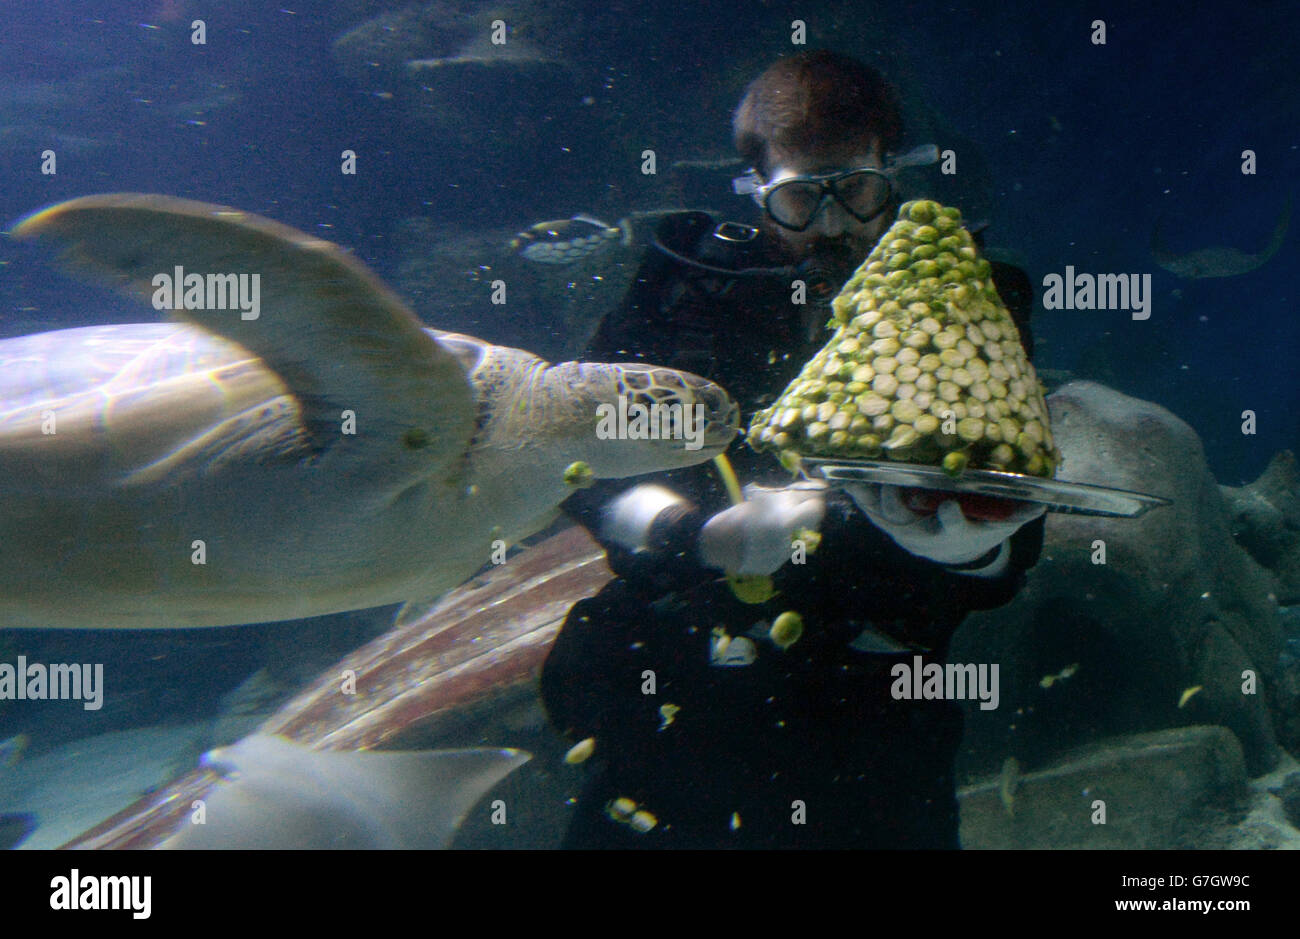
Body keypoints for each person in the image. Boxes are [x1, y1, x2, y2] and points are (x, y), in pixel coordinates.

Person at [538, 49, 1046, 848]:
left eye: (857, 190)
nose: (833, 225)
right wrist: (689, 532)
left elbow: (1010, 543)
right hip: (676, 686)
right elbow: (578, 459)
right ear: (757, 190)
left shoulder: (973, 299)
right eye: (801, 198)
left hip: (873, 701)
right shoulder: (684, 286)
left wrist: (941, 531)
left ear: (893, 172)